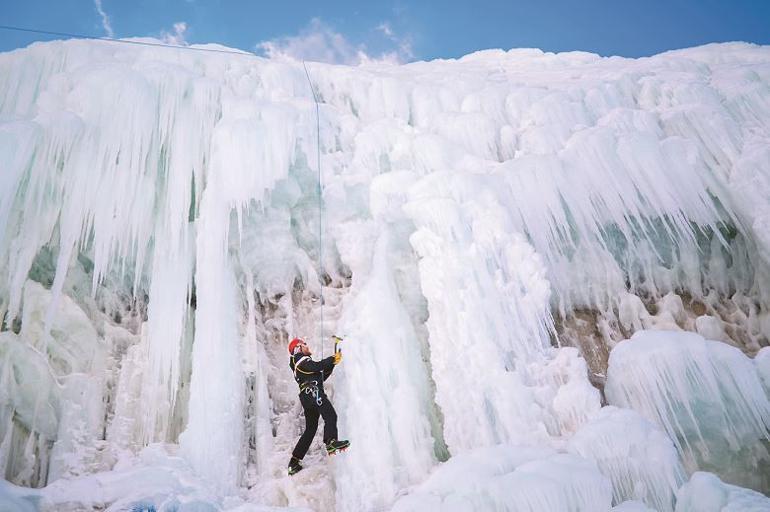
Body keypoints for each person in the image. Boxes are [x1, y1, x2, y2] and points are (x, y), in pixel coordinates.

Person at [287, 337, 349, 476]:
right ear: (298, 348)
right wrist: (331, 359)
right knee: (330, 415)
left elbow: (319, 376)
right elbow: (315, 367)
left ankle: (294, 462)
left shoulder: (301, 364)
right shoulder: (299, 358)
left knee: (310, 429)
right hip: (313, 392)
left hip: (307, 396)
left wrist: (332, 364)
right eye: (304, 344)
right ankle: (331, 442)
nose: (307, 346)